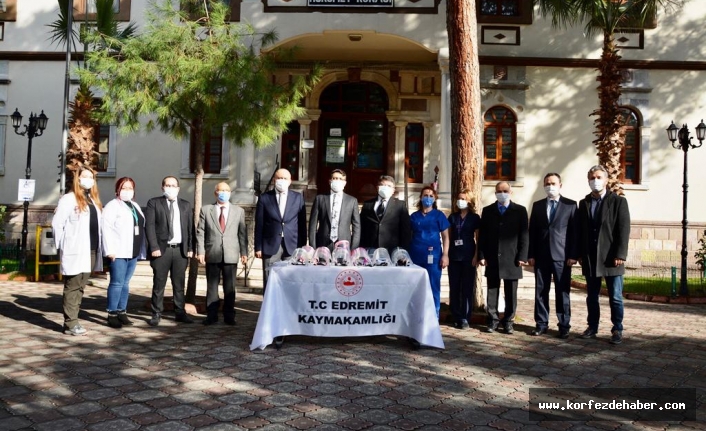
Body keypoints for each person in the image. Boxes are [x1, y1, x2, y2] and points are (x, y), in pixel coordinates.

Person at [577, 165, 630, 345]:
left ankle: (617, 329)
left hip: (611, 258)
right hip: (591, 258)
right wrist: (580, 254)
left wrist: (620, 254)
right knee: (592, 296)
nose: (595, 181)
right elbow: (581, 231)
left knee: (615, 296)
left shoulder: (618, 202)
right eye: (592, 178)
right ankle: (592, 326)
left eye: (599, 177)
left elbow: (623, 230)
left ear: (606, 180)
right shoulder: (583, 203)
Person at [53, 167, 103, 336]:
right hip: (74, 249)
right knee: (72, 286)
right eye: (85, 176)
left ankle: (73, 319)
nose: (88, 179)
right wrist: (61, 247)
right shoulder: (68, 199)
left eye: (91, 177)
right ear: (78, 178)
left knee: (81, 286)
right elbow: (57, 224)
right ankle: (70, 323)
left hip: (91, 249)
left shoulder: (94, 200)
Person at [528, 173, 578, 339]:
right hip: (541, 256)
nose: (550, 186)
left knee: (562, 291)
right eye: (547, 183)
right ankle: (541, 324)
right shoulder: (538, 205)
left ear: (560, 185)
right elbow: (532, 232)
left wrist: (573, 255)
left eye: (553, 183)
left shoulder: (570, 205)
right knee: (541, 291)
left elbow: (573, 233)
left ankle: (564, 325)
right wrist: (531, 254)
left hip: (562, 256)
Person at [478, 181, 528, 334]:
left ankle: (508, 321)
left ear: (510, 192)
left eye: (505, 190)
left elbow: (524, 236)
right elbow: (483, 236)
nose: (502, 193)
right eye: (499, 191)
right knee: (492, 291)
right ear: (495, 193)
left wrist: (522, 256)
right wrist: (481, 255)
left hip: (512, 258)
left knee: (511, 292)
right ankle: (492, 320)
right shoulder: (487, 211)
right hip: (492, 258)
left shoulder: (520, 211)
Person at [145, 176, 194, 326]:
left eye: (173, 185)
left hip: (180, 251)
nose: (170, 188)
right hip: (161, 250)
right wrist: (154, 247)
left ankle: (180, 312)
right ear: (162, 187)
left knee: (179, 284)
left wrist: (190, 248)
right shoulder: (154, 203)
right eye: (167, 185)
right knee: (159, 283)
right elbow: (150, 226)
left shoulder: (185, 205)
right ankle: (156, 313)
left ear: (178, 188)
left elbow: (189, 229)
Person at [197, 182, 248, 326]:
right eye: (221, 190)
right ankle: (211, 315)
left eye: (226, 190)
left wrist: (244, 253)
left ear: (230, 193)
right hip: (212, 253)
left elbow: (242, 234)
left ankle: (229, 315)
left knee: (230, 287)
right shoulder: (206, 210)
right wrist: (200, 251)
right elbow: (201, 232)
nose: (223, 193)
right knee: (212, 286)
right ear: (215, 193)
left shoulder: (239, 211)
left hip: (231, 254)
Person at [102, 177, 146, 329]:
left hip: (132, 251)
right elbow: (106, 229)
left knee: (125, 283)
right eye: (124, 188)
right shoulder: (112, 206)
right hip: (118, 252)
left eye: (130, 188)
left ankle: (122, 311)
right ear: (117, 190)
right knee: (116, 283)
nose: (127, 191)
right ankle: (112, 313)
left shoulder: (134, 205)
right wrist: (110, 250)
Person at [254, 168, 307, 291]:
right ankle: (270, 308)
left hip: (292, 245)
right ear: (274, 180)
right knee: (270, 279)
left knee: (291, 280)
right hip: (270, 245)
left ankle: (288, 308)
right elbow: (259, 224)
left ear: (290, 181)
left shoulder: (298, 198)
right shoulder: (264, 198)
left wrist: (302, 247)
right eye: (279, 178)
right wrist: (258, 247)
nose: (281, 181)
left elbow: (302, 224)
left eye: (285, 178)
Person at [409, 186, 450, 317]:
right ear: (420, 197)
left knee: (433, 287)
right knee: (415, 288)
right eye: (425, 195)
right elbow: (408, 235)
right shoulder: (414, 217)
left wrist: (445, 255)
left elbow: (445, 237)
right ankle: (416, 319)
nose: (428, 198)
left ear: (435, 198)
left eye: (431, 195)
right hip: (415, 255)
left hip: (433, 256)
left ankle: (433, 318)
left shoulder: (439, 215)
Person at [447, 189, 480, 330]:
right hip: (454, 256)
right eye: (459, 198)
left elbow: (478, 238)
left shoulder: (475, 218)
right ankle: (456, 316)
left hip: (468, 255)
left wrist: (476, 256)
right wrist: (446, 254)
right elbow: (448, 237)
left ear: (469, 201)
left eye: (463, 199)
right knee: (454, 287)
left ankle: (465, 317)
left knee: (467, 288)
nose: (460, 201)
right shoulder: (452, 217)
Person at [309, 169, 360, 250]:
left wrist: (354, 248)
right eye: (335, 178)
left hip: (344, 245)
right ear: (330, 181)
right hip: (323, 244)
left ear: (345, 183)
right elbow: (312, 225)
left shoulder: (352, 201)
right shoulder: (320, 199)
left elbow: (356, 226)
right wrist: (313, 247)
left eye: (340, 179)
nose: (337, 181)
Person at [359, 175, 411, 255]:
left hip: (392, 250)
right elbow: (362, 227)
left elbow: (405, 231)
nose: (386, 187)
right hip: (370, 249)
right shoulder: (368, 204)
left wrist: (403, 252)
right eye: (383, 185)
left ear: (393, 190)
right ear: (377, 187)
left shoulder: (400, 205)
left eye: (389, 186)